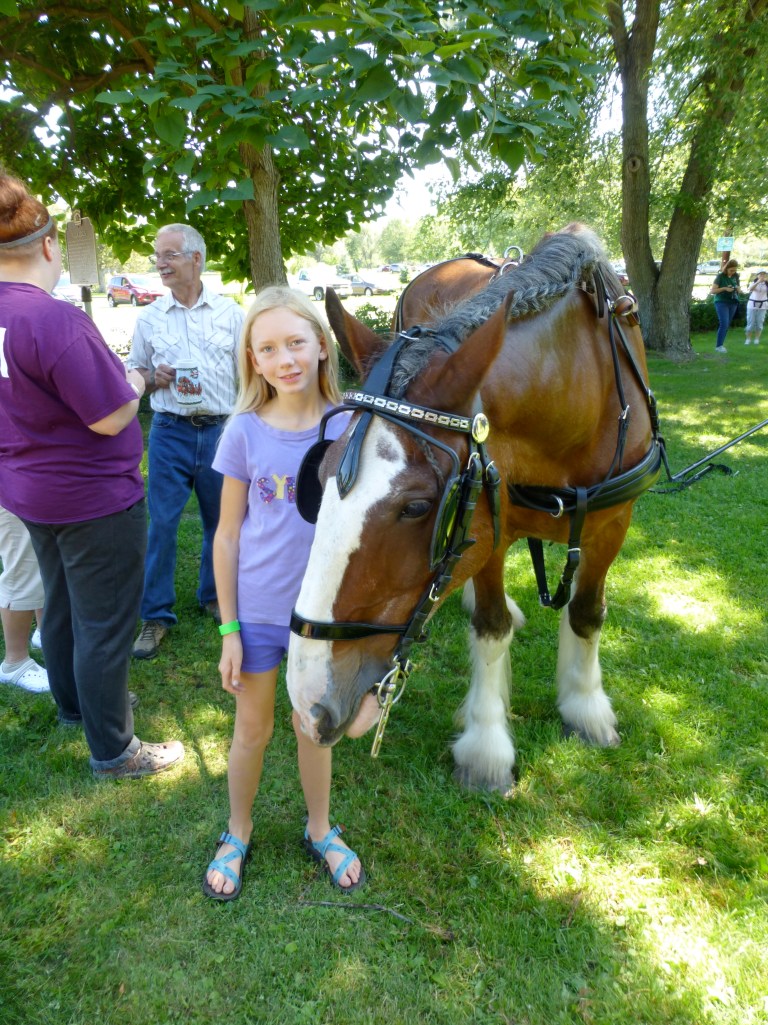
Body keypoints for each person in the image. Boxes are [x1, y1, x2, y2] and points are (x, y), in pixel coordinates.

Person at [0, 171, 184, 779]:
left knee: (62, 603)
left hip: (29, 490)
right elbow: (110, 417)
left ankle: (75, 706)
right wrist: (136, 381)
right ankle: (115, 749)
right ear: (50, 245)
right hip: (90, 496)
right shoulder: (51, 319)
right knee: (105, 622)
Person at [202, 286, 364, 901]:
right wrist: (229, 630)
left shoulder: (350, 424)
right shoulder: (243, 432)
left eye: (296, 342)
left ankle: (320, 827)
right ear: (253, 359)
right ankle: (238, 830)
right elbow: (225, 537)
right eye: (268, 348)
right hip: (260, 618)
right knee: (253, 729)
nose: (285, 358)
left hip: (321, 620)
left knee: (313, 727)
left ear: (322, 347)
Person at [126, 224, 245, 660]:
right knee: (162, 524)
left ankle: (213, 597)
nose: (161, 262)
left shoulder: (232, 314)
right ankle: (155, 616)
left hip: (221, 432)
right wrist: (150, 380)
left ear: (197, 259)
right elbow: (133, 375)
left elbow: (249, 377)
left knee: (221, 523)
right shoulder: (150, 317)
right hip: (170, 432)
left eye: (171, 254)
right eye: (159, 255)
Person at [0, 504, 49, 693]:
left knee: (41, 553)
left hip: (29, 479)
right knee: (21, 565)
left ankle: (45, 632)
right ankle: (14, 663)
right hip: (9, 484)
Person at [710, 258, 742, 353]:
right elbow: (713, 291)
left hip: (733, 302)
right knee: (724, 323)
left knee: (727, 324)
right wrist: (724, 288)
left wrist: (738, 289)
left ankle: (721, 345)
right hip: (721, 302)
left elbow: (738, 287)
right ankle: (719, 346)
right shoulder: (720, 276)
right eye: (731, 270)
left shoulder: (736, 276)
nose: (733, 272)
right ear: (726, 268)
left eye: (735, 270)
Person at [745, 270, 768, 345]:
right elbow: (750, 289)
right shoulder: (754, 282)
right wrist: (758, 282)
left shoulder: (766, 283)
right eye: (761, 274)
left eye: (764, 274)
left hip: (763, 305)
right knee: (750, 322)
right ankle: (748, 339)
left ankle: (757, 339)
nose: (762, 276)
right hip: (752, 304)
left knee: (759, 323)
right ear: (757, 275)